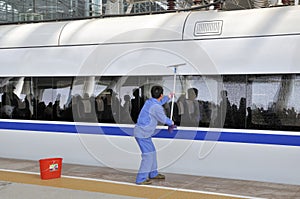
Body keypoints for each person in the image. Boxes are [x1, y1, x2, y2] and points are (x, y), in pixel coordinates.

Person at [134, 85, 174, 185]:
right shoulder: (156, 107)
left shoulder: (150, 102)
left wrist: (169, 97)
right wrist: (172, 123)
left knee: (152, 152)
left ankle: (153, 173)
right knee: (148, 156)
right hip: (143, 134)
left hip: (143, 133)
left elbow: (160, 101)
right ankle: (141, 179)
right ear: (161, 94)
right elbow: (163, 119)